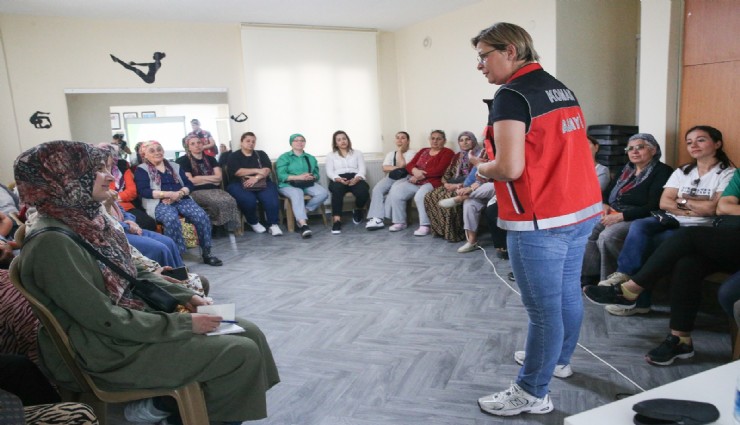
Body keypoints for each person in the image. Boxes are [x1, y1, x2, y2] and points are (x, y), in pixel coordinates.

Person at [14, 141, 279, 425]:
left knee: (249, 332)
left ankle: (175, 406)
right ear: (64, 179)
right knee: (239, 353)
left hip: (131, 325)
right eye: (97, 171)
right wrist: (184, 323)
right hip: (107, 349)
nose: (110, 176)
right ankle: (193, 412)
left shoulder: (87, 220)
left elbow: (133, 271)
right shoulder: (52, 243)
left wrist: (184, 296)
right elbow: (103, 319)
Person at [471, 22, 602, 417]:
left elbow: (510, 167)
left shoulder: (510, 96)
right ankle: (557, 360)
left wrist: (482, 169)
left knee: (544, 311)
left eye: (483, 55)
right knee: (564, 295)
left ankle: (532, 391)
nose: (480, 65)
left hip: (540, 218)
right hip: (578, 209)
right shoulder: (558, 86)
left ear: (510, 50)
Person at [584, 170, 740, 364]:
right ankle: (681, 340)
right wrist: (696, 205)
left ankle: (630, 290)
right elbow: (723, 206)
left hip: (725, 236)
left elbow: (717, 207)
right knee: (687, 264)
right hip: (725, 237)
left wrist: (686, 202)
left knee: (687, 236)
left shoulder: (725, 171)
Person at [595, 125, 735, 315]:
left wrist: (680, 201)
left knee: (645, 244)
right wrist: (692, 205)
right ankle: (623, 278)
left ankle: (635, 298)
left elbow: (712, 208)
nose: (694, 145)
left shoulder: (727, 173)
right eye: (689, 142)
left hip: (699, 228)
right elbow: (664, 202)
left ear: (717, 143)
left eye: (700, 140)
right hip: (669, 220)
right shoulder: (683, 171)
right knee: (639, 228)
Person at [580, 133, 673, 287]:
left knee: (607, 236)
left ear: (653, 150)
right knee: (588, 230)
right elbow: (607, 192)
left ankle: (609, 284)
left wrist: (621, 217)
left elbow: (654, 206)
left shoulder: (662, 171)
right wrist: (604, 204)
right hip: (615, 213)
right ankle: (588, 278)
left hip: (638, 216)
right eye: (630, 148)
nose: (634, 151)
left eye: (640, 147)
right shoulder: (626, 169)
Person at [134, 141, 223, 266]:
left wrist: (179, 193)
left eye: (159, 149)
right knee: (170, 219)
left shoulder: (175, 166)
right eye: (152, 151)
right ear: (145, 155)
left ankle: (207, 252)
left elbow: (189, 184)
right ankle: (176, 257)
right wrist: (168, 194)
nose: (157, 152)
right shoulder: (141, 170)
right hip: (159, 202)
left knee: (201, 217)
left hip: (181, 198)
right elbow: (144, 191)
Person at [385, 130, 454, 235]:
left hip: (433, 182)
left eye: (439, 139)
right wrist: (414, 171)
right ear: (429, 139)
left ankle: (425, 225)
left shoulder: (448, 152)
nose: (435, 141)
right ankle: (400, 222)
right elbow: (409, 165)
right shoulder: (423, 150)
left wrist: (420, 175)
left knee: (420, 195)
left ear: (444, 141)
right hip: (415, 180)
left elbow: (440, 170)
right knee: (396, 190)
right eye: (433, 138)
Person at [423, 131, 484, 242]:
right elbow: (447, 173)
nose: (464, 142)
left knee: (449, 197)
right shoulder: (457, 156)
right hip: (452, 183)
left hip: (467, 185)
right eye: (461, 140)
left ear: (473, 140)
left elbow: (478, 176)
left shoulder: (479, 155)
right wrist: (446, 183)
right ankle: (440, 229)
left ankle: (454, 233)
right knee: (430, 195)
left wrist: (457, 186)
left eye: (467, 139)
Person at [177, 135, 241, 234]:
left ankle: (227, 227)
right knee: (217, 202)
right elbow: (191, 181)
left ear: (202, 144)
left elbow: (219, 178)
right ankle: (216, 226)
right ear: (188, 147)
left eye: (199, 142)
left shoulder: (211, 159)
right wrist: (211, 179)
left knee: (230, 200)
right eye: (192, 144)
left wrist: (199, 178)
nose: (197, 145)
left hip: (214, 189)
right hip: (195, 191)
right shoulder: (183, 160)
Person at [226, 132, 282, 236]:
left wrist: (256, 178)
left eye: (253, 141)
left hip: (261, 181)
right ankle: (253, 222)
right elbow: (238, 172)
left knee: (271, 198)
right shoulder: (234, 156)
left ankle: (273, 224)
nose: (251, 143)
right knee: (248, 200)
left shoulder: (261, 154)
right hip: (239, 184)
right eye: (248, 141)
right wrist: (257, 170)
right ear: (241, 142)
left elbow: (266, 170)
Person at [275, 134, 329, 238]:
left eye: (302, 140)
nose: (299, 142)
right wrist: (298, 177)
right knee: (297, 192)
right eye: (296, 140)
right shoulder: (284, 157)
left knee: (323, 193)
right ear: (291, 143)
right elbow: (282, 176)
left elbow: (317, 175)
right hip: (287, 185)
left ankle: (303, 211)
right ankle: (303, 224)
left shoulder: (311, 158)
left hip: (306, 183)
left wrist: (312, 176)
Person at [365, 131, 417, 230]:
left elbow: (403, 166)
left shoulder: (412, 153)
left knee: (393, 190)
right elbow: (384, 168)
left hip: (405, 178)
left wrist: (400, 151)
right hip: (391, 177)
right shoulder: (390, 154)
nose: (400, 140)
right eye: (397, 138)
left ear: (408, 141)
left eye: (403, 138)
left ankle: (381, 219)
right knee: (377, 189)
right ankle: (376, 218)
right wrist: (397, 168)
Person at [325, 130, 370, 234]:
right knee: (337, 190)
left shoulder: (357, 153)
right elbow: (329, 172)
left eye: (344, 139)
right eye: (339, 140)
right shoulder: (331, 155)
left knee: (363, 191)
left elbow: (362, 169)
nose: (342, 141)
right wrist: (338, 179)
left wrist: (357, 178)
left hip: (355, 177)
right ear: (336, 143)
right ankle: (337, 220)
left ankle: (358, 209)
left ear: (348, 140)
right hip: (339, 178)